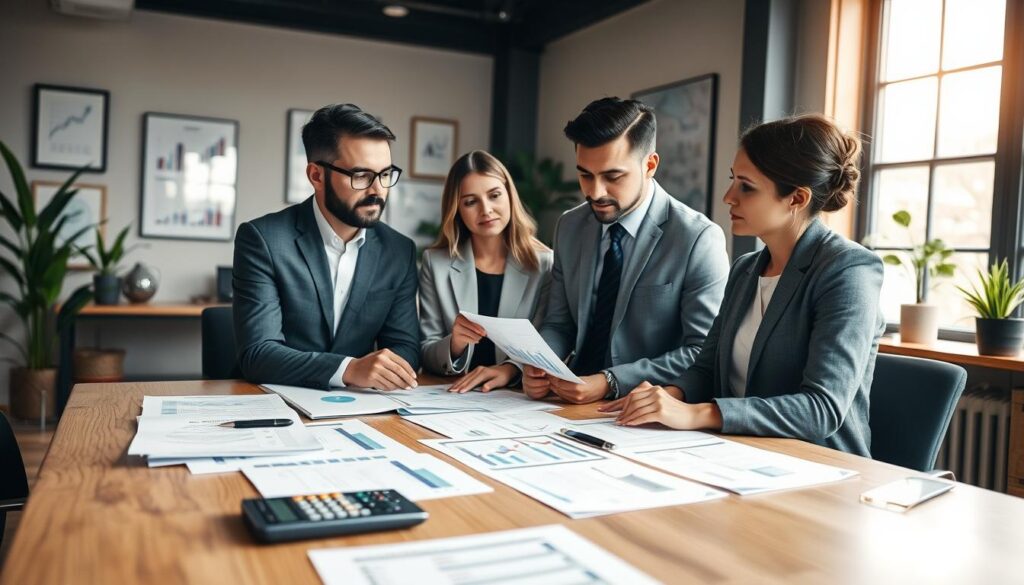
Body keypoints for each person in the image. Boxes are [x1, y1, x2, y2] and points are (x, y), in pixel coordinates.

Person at [603, 114, 884, 457]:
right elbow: (706, 370)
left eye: (746, 187)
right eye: (733, 180)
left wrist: (696, 413)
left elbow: (821, 409)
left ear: (796, 198)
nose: (728, 197)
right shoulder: (746, 269)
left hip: (818, 467)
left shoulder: (848, 270)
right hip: (736, 453)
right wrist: (667, 396)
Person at [523, 97, 730, 404]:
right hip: (565, 402)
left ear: (650, 165)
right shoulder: (570, 226)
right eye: (585, 175)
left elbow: (702, 351)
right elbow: (559, 322)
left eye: (612, 177)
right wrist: (542, 362)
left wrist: (609, 382)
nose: (595, 192)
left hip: (641, 410)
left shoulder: (698, 239)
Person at [233, 103, 420, 390]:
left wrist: (384, 369)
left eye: (385, 174)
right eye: (361, 176)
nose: (377, 190)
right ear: (316, 176)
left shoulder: (399, 251)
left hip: (362, 408)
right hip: (275, 402)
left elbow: (405, 348)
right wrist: (349, 369)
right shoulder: (263, 239)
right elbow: (258, 354)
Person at [418, 150, 553, 392]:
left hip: (517, 398)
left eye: (494, 195)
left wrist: (510, 370)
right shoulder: (435, 263)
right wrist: (455, 344)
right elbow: (425, 350)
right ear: (456, 209)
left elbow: (548, 341)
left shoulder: (543, 264)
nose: (486, 210)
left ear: (509, 196)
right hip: (452, 394)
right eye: (471, 202)